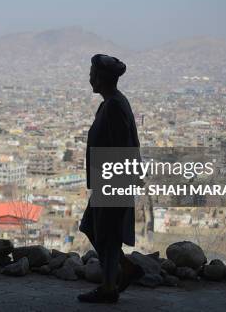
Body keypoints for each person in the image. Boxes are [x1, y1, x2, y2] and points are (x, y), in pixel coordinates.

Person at [77, 53, 142, 303]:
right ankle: (122, 270)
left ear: (102, 78)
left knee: (106, 233)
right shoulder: (112, 103)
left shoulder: (114, 106)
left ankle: (108, 287)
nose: (90, 78)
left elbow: (121, 147)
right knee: (96, 229)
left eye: (93, 74)